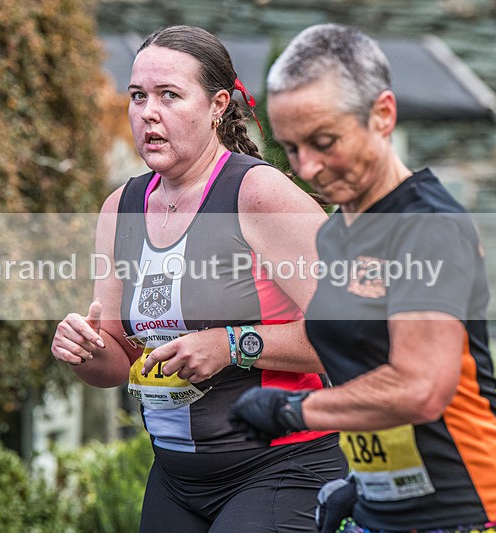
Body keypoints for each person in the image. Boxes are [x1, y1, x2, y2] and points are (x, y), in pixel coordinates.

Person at [229, 23, 496, 533]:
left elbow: (420, 387)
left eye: (324, 142)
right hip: (383, 514)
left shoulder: (426, 226)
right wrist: (363, 484)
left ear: (383, 114)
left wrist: (294, 409)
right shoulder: (336, 234)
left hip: (481, 514)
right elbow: (364, 369)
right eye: (292, 148)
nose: (308, 168)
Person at [51, 25, 347, 532]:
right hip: (176, 477)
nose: (148, 112)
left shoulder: (257, 194)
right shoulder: (120, 208)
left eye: (169, 95)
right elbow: (118, 362)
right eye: (138, 96)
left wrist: (231, 345)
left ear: (217, 106)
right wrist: (86, 349)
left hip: (282, 466)